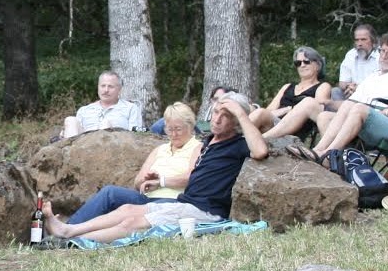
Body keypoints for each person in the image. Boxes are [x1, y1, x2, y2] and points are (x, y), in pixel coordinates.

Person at [42, 93, 267, 243]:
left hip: (204, 211)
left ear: (237, 121)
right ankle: (67, 230)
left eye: (225, 116)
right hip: (184, 203)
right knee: (126, 210)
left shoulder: (237, 144)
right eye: (216, 112)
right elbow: (139, 181)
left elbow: (260, 151)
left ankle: (73, 240)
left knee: (132, 222)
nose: (217, 119)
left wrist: (239, 112)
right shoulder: (208, 142)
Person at [263, 30, 388, 141]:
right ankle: (335, 158)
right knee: (323, 115)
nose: (384, 56)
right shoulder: (374, 75)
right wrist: (330, 103)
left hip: (374, 121)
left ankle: (264, 139)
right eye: (382, 51)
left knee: (312, 104)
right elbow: (351, 102)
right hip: (353, 115)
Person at [63, 102, 202, 224]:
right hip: (146, 198)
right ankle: (67, 229)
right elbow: (137, 183)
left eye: (178, 129)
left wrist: (161, 182)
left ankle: (77, 232)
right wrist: (146, 180)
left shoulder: (197, 147)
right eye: (169, 129)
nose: (173, 134)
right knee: (109, 192)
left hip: (173, 200)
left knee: (131, 212)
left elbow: (192, 178)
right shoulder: (159, 150)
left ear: (190, 127)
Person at [248, 47, 332, 134]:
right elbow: (269, 110)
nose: (302, 65)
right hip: (274, 123)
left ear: (318, 65)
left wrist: (288, 110)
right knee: (255, 110)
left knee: (260, 113)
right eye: (298, 63)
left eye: (307, 62)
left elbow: (317, 109)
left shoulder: (322, 86)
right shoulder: (287, 86)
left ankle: (248, 139)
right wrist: (284, 110)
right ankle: (239, 139)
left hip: (295, 128)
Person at [62, 71, 144, 137]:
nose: (106, 90)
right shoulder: (84, 110)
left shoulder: (131, 108)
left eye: (110, 86)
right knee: (70, 120)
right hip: (83, 148)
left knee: (105, 124)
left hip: (114, 147)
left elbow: (135, 136)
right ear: (98, 87)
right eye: (103, 86)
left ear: (119, 89)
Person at [336, 24, 380, 99]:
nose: (359, 44)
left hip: (373, 95)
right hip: (351, 92)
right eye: (357, 40)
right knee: (335, 91)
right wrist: (349, 86)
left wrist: (359, 89)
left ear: (373, 41)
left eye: (363, 40)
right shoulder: (351, 54)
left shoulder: (381, 55)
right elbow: (342, 82)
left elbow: (382, 84)